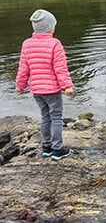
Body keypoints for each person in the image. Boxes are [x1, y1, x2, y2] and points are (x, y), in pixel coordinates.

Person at [15, 9, 74, 161]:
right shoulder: (55, 43)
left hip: (36, 90)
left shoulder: (27, 44)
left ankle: (46, 147)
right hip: (52, 90)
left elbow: (23, 68)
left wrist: (20, 85)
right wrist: (67, 85)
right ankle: (57, 150)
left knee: (44, 117)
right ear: (51, 27)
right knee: (56, 118)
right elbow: (60, 68)